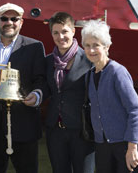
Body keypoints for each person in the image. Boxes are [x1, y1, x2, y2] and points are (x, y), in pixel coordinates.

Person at [0, 3, 46, 173]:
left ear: (21, 22)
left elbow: (41, 80)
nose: (9, 22)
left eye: (14, 19)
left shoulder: (34, 47)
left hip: (25, 123)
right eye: (4, 18)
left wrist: (36, 95)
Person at [81, 20, 138, 173]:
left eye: (96, 45)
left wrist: (132, 147)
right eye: (87, 45)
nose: (91, 50)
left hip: (126, 143)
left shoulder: (118, 72)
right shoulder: (89, 76)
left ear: (107, 46)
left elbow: (136, 111)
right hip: (102, 145)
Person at [43, 12, 95, 173]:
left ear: (73, 31)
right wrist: (36, 95)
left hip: (82, 131)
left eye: (65, 31)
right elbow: (46, 88)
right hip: (55, 130)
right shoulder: (48, 61)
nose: (61, 37)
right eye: (56, 32)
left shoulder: (89, 59)